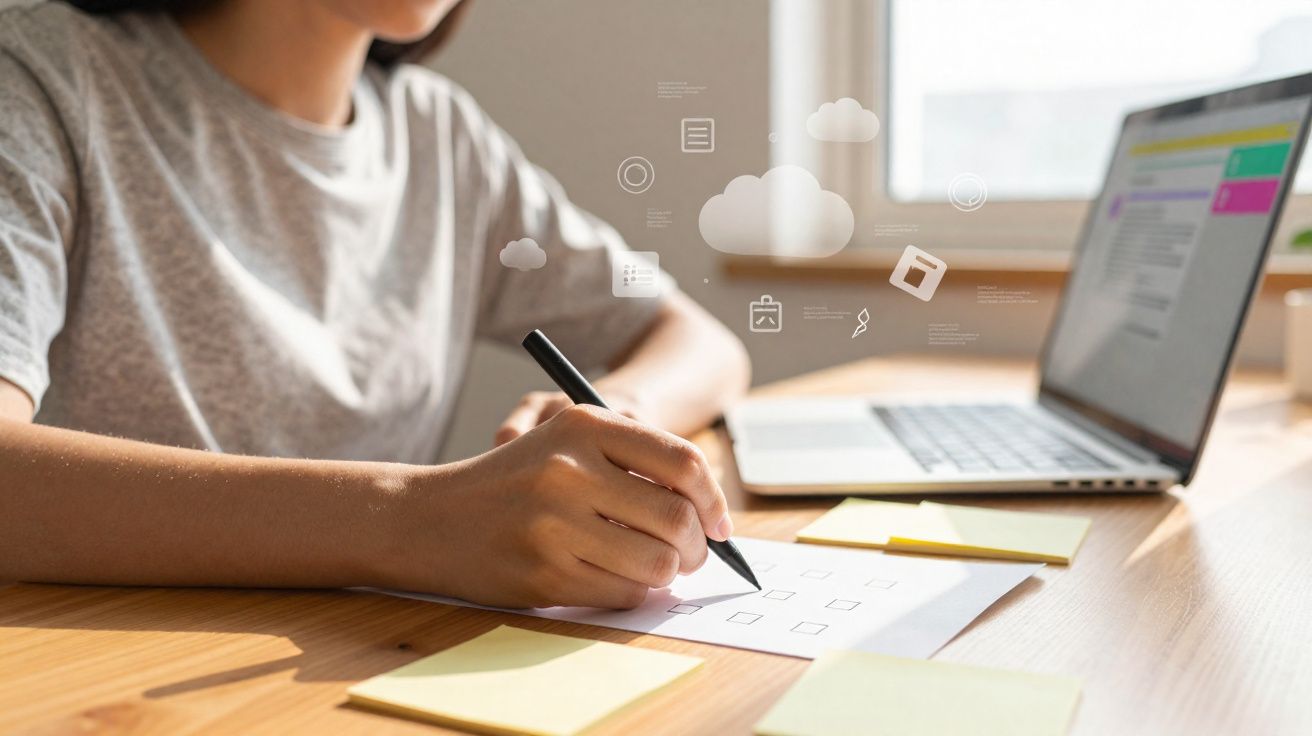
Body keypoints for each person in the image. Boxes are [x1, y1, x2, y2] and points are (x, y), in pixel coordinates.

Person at [0, 0, 750, 610]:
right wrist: (417, 521)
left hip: (369, 660)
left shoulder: (440, 137)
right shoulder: (41, 76)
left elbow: (701, 343)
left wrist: (618, 414)